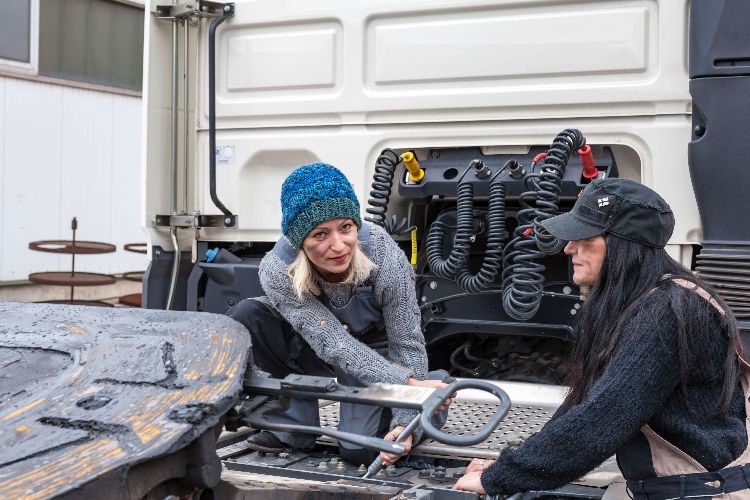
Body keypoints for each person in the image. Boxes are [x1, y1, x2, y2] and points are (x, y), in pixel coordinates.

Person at [454, 178, 749, 498]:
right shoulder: (646, 302)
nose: (568, 247)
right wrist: (507, 467)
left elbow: (603, 418)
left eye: (584, 236)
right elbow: (584, 404)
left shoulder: (668, 311)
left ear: (623, 243)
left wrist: (498, 478)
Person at [229, 162, 451, 467]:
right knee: (249, 313)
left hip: (380, 351)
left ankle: (434, 386)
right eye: (320, 234)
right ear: (299, 241)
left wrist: (405, 419)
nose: (338, 245)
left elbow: (406, 342)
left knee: (358, 450)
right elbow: (331, 342)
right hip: (317, 344)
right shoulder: (277, 268)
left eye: (345, 227)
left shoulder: (384, 253)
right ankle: (289, 428)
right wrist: (409, 386)